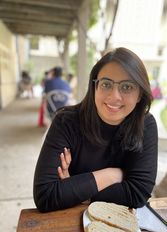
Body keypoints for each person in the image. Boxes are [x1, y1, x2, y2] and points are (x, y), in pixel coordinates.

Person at [33, 47, 158, 212]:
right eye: (106, 84)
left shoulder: (145, 125)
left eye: (127, 87)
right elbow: (46, 196)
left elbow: (138, 194)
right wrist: (112, 175)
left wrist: (78, 191)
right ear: (94, 87)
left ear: (140, 94)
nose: (114, 96)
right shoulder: (66, 121)